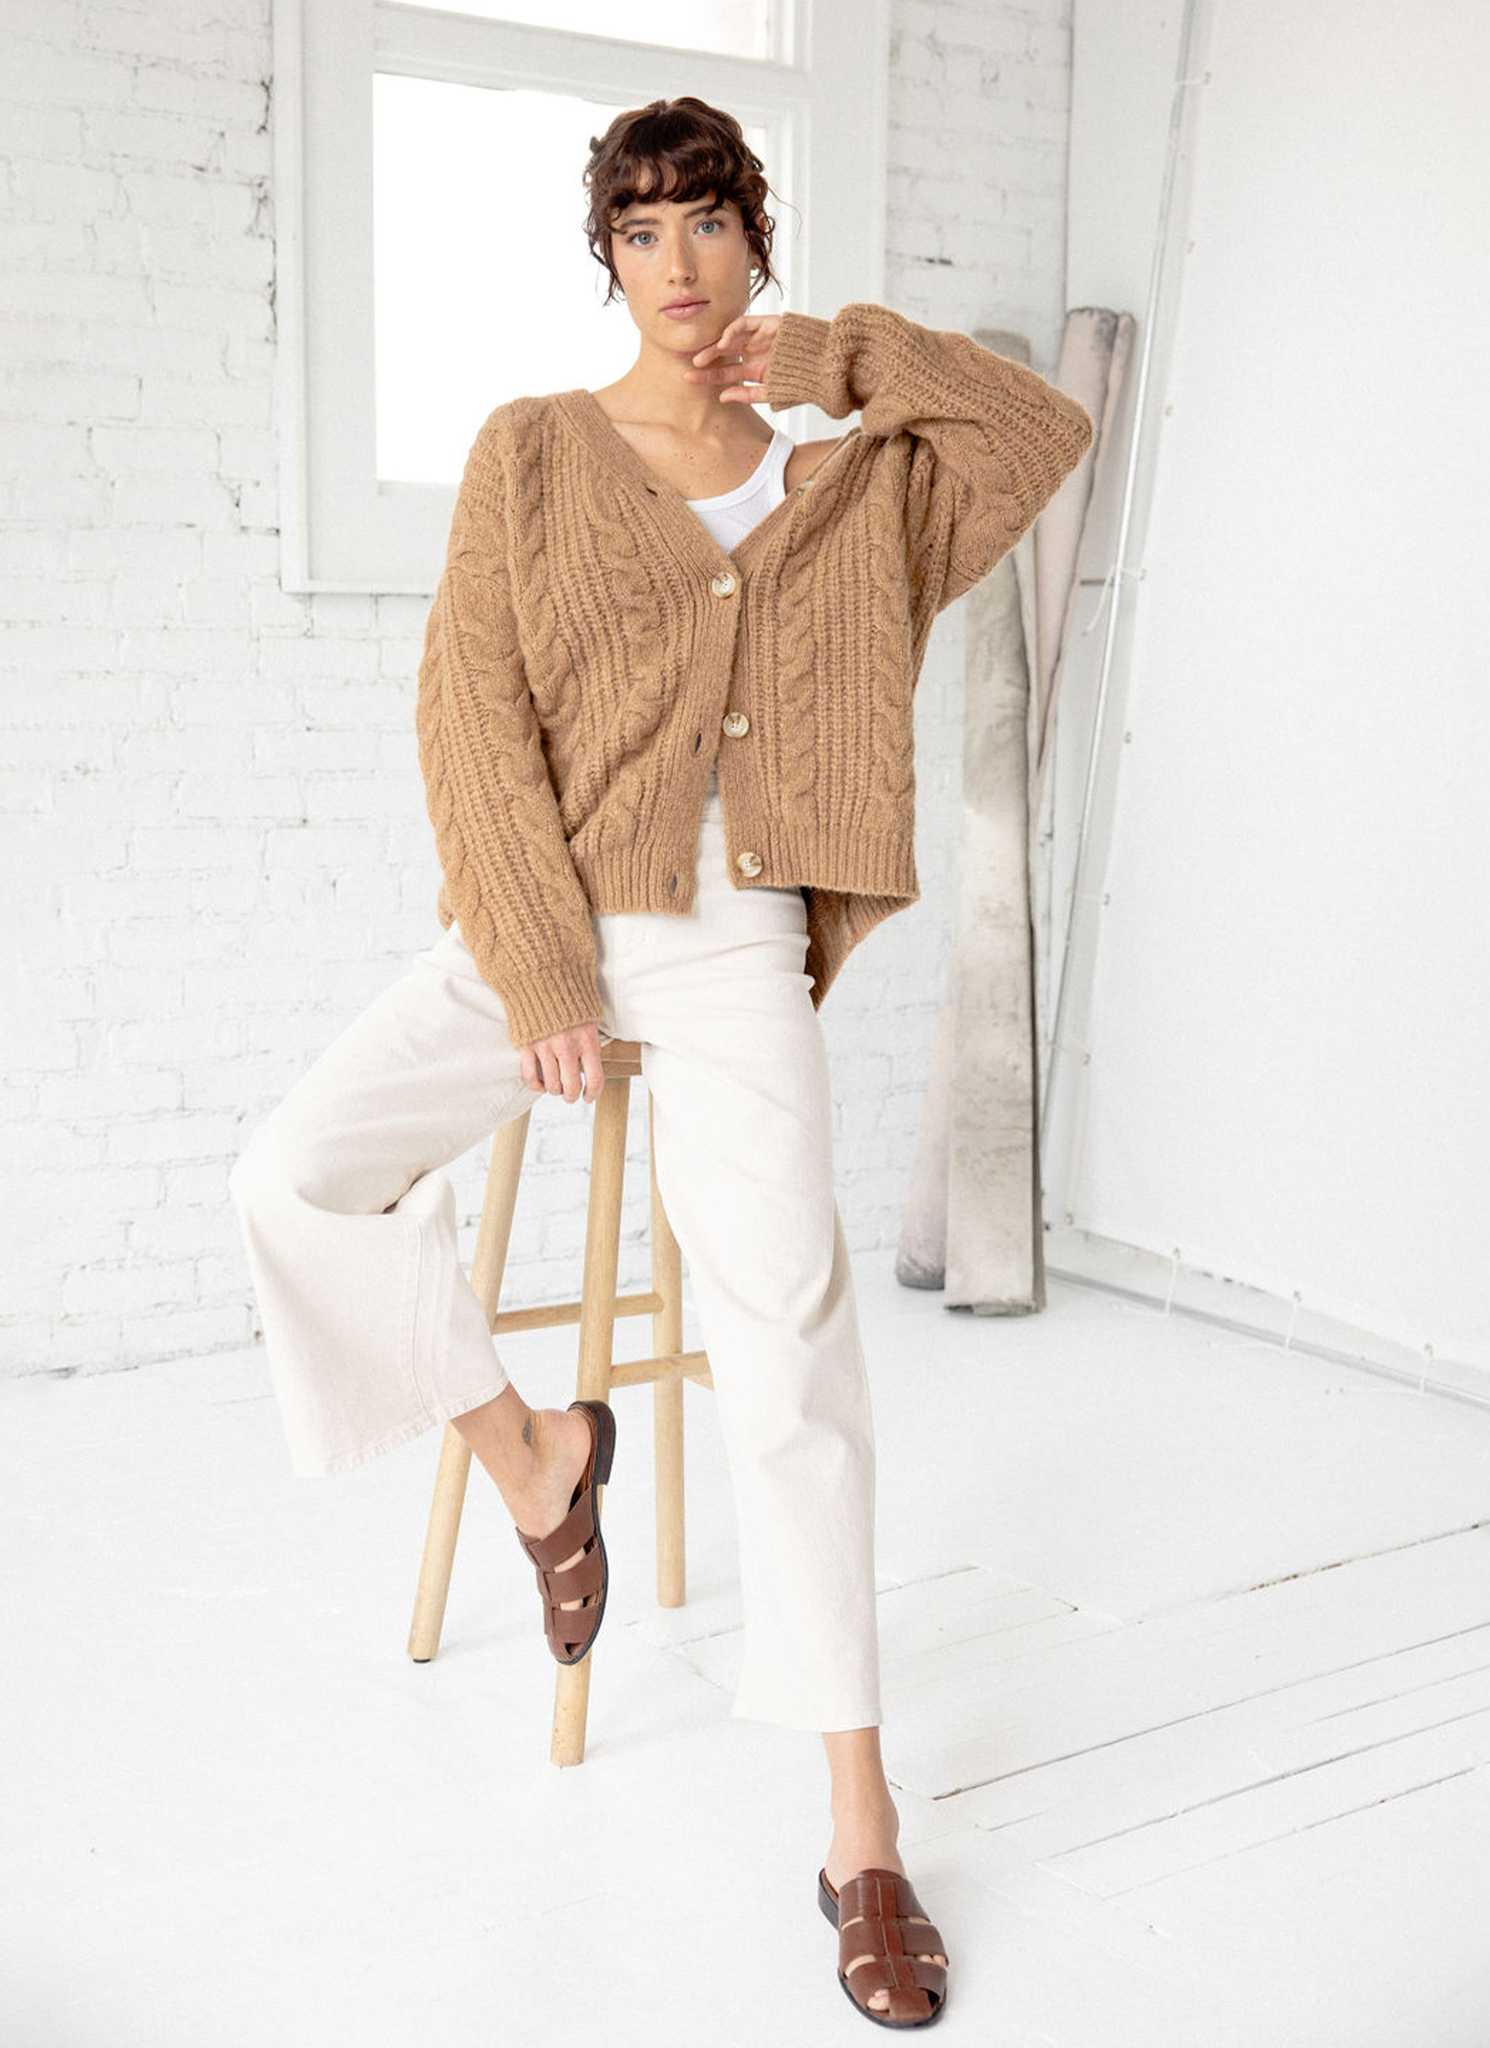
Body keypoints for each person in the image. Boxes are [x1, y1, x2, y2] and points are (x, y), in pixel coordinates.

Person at [228, 94, 1092, 2030]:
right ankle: (541, 1457)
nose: (679, 260)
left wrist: (857, 358)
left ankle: (861, 1831)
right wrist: (539, 963)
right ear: (604, 256)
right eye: (642, 226)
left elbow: (1048, 434)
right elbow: (469, 715)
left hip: (727, 946)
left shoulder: (852, 477)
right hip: (541, 926)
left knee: (793, 1337)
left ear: (753, 243)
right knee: (292, 1173)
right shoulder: (532, 455)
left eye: (710, 220)